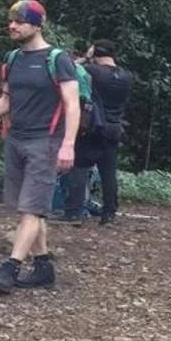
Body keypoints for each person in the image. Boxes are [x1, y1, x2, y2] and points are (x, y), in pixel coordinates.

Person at [0, 0, 81, 293]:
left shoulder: (57, 59)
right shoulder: (12, 59)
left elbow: (72, 105)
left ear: (37, 24)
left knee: (32, 208)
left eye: (20, 21)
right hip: (16, 139)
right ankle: (44, 266)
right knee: (26, 209)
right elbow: (7, 101)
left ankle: (10, 269)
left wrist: (68, 145)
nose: (13, 26)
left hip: (46, 142)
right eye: (11, 21)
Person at [61, 40, 133, 226]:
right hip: (114, 127)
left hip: (92, 125)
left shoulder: (92, 71)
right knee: (108, 172)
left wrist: (85, 58)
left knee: (79, 167)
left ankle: (73, 211)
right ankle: (109, 213)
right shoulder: (126, 75)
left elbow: (70, 68)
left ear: (96, 52)